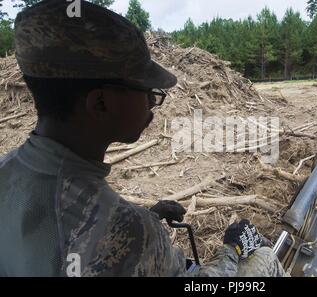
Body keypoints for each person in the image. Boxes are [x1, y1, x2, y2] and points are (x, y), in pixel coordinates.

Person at [0, 0, 285, 277]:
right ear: (101, 103)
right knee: (265, 258)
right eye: (148, 91)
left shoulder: (7, 172)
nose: (152, 103)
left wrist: (149, 216)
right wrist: (231, 250)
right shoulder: (130, 233)